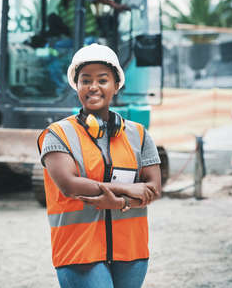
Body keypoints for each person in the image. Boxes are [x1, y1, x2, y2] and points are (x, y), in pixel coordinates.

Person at [37, 43, 161, 288]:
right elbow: (69, 185)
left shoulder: (138, 134)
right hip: (79, 250)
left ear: (116, 85)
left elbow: (154, 187)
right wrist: (127, 190)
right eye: (85, 80)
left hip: (131, 251)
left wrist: (120, 203)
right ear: (77, 86)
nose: (93, 87)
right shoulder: (58, 134)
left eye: (102, 80)